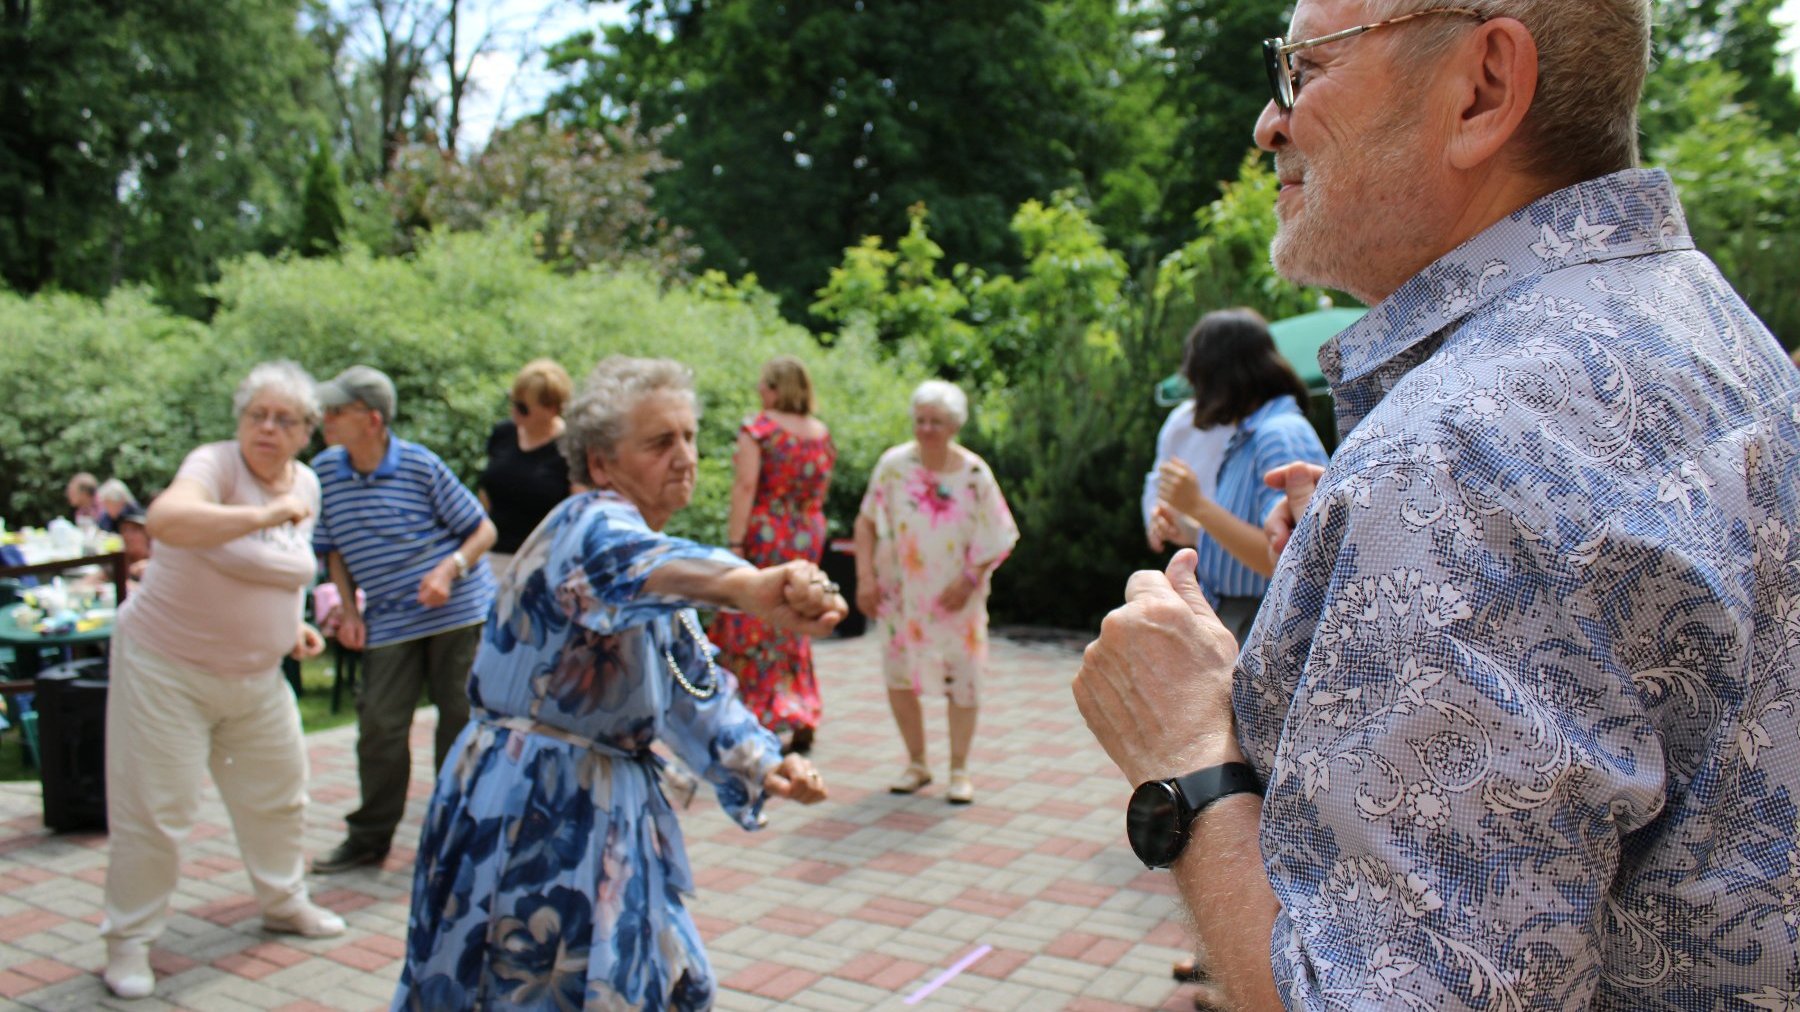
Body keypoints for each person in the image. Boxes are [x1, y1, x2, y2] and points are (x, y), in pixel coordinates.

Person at [1074, 2, 1800, 1009]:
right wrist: (1384, 562)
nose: (1267, 123)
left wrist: (1188, 759)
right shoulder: (1706, 327)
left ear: (1483, 89)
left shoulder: (1461, 457)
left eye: (1303, 69)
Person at [393, 356, 837, 1010]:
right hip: (534, 806)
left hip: (595, 804)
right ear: (601, 464)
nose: (685, 455)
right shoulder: (590, 527)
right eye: (661, 442)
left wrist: (763, 760)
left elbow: (690, 685)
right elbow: (632, 563)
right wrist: (746, 585)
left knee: (657, 985)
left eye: (690, 436)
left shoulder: (650, 565)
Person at [99, 361, 344, 1000]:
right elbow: (168, 522)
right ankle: (128, 942)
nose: (266, 427)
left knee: (282, 794)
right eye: (255, 414)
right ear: (239, 421)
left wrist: (290, 627)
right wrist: (266, 515)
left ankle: (284, 901)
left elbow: (285, 570)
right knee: (156, 811)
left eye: (283, 419)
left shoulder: (308, 485)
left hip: (258, 677)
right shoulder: (213, 465)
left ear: (306, 432)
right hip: (166, 669)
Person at [310, 365, 498, 874]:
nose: (324, 418)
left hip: (456, 610)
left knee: (459, 723)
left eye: (336, 410)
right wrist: (349, 610)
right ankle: (369, 839)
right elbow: (332, 550)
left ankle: (458, 840)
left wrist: (447, 569)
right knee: (379, 727)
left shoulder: (419, 465)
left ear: (372, 420)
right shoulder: (324, 472)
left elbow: (482, 532)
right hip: (390, 619)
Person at [854, 379, 1018, 804]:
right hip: (900, 594)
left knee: (962, 679)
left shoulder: (974, 473)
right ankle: (916, 762)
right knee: (899, 676)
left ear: (954, 426)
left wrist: (969, 580)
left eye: (936, 422)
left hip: (955, 597)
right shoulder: (893, 465)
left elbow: (999, 534)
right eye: (920, 420)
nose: (926, 429)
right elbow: (866, 521)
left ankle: (959, 770)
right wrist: (865, 579)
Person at [1150, 309, 1328, 642]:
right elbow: (1251, 542)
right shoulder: (1253, 434)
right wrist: (1190, 530)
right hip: (1243, 615)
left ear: (1220, 378)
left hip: (1259, 620)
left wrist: (1198, 505)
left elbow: (1287, 559)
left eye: (1199, 383)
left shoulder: (1278, 434)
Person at [711, 355, 837, 754]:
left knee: (752, 616)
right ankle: (800, 709)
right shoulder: (820, 433)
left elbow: (745, 486)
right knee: (796, 618)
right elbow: (821, 490)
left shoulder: (760, 428)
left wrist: (734, 542)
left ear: (778, 388)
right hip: (806, 532)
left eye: (764, 385)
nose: (758, 392)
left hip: (766, 532)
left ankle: (752, 712)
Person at [478, 358, 576, 579]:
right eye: (513, 403)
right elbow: (486, 490)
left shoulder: (570, 449)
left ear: (551, 408)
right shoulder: (504, 433)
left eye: (523, 408)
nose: (514, 413)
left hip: (541, 563)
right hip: (492, 556)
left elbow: (577, 511)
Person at [1142, 395, 1230, 553]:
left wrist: (1195, 511)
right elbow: (1158, 482)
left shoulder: (1263, 427)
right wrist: (1158, 516)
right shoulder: (1181, 419)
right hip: (1203, 556)